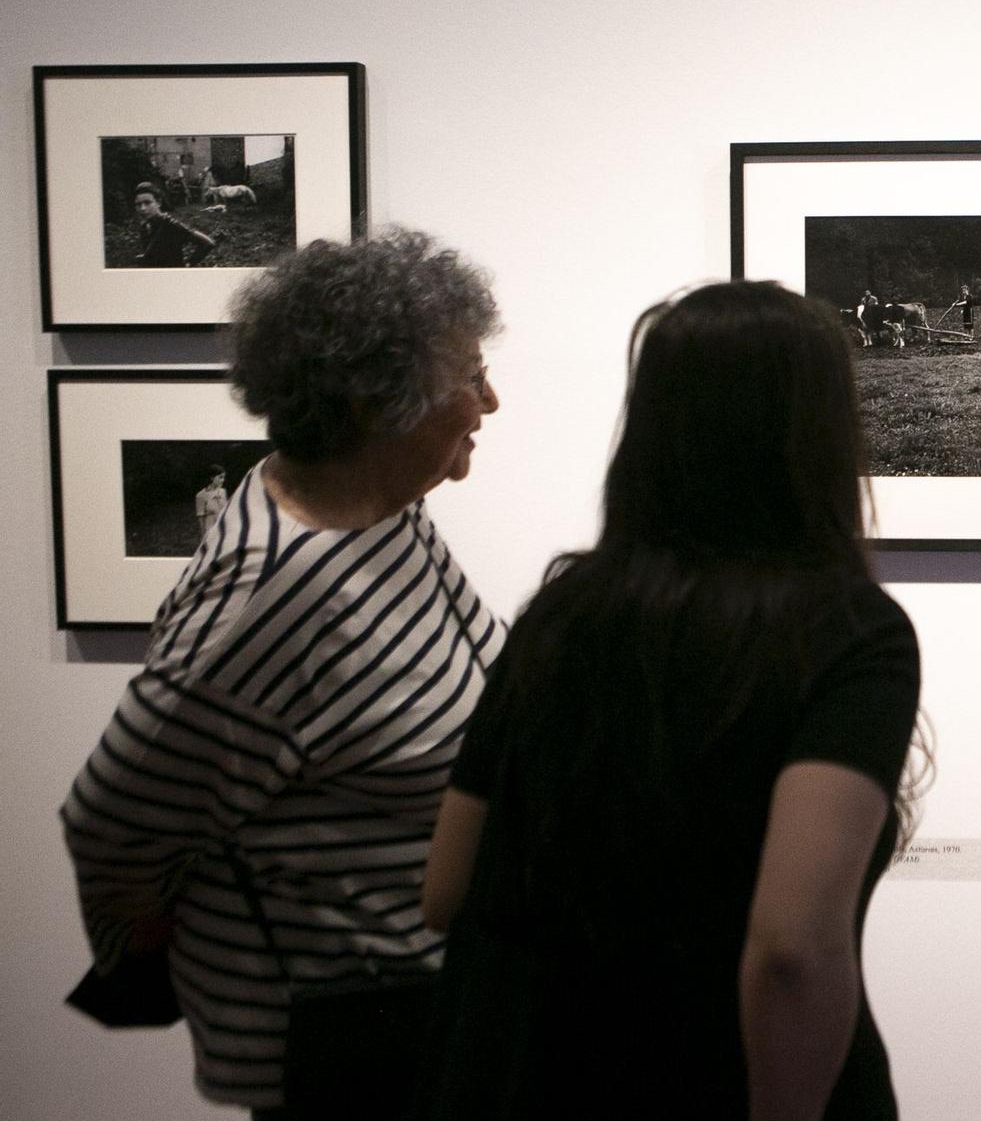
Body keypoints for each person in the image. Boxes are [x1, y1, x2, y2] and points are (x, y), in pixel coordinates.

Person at [419, 280, 924, 1119]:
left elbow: (445, 890)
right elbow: (792, 948)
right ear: (820, 435)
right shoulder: (848, 634)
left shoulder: (561, 616)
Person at [61, 230, 504, 1118]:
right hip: (352, 1058)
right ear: (380, 406)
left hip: (432, 1029)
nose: (489, 400)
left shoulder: (381, 513)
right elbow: (115, 824)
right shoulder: (273, 600)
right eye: (468, 377)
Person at [129, 181, 216, 267]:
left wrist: (188, 264)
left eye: (147, 203)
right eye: (138, 204)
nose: (143, 208)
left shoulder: (170, 225)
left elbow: (207, 243)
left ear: (158, 202)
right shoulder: (145, 226)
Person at [193, 464, 228, 541]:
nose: (223, 480)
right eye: (220, 477)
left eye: (224, 477)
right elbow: (200, 519)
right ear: (212, 478)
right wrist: (204, 536)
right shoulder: (201, 495)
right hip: (210, 530)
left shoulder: (223, 492)